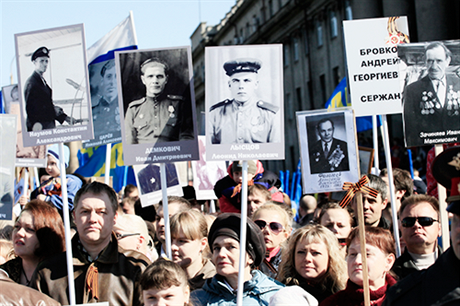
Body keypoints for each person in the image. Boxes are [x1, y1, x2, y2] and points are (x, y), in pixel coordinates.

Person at [32, 182, 150, 305]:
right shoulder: (47, 271)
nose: (92, 219)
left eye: (101, 212)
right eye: (85, 211)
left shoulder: (136, 267)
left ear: (114, 217)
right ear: (74, 217)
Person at [383, 146, 460, 306]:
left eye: (425, 221)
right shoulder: (409, 296)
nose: (459, 229)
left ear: (440, 227)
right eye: (458, 219)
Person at [191, 213, 283, 305]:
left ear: (250, 257)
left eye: (231, 247)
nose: (221, 254)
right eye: (217, 248)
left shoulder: (275, 297)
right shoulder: (197, 299)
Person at [209, 58, 280, 144]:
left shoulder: (270, 114)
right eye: (236, 81)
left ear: (256, 84)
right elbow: (208, 150)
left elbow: (275, 152)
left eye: (247, 81)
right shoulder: (215, 114)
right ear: (229, 85)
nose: (241, 86)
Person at [320, 227, 397, 306]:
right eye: (353, 254)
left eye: (367, 254)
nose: (357, 261)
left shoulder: (404, 299)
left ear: (388, 261)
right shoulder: (332, 303)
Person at [125, 57, 194, 144]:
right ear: (143, 80)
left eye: (159, 76)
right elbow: (129, 141)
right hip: (143, 156)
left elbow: (186, 136)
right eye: (150, 76)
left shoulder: (179, 105)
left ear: (166, 79)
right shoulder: (134, 109)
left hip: (172, 154)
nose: (155, 81)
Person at [402, 42, 460, 146]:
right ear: (425, 62)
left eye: (439, 61)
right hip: (429, 147)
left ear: (447, 61)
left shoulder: (458, 84)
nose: (434, 66)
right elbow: (411, 126)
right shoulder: (412, 90)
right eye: (430, 61)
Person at [0, 200, 65, 286]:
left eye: (29, 229)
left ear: (46, 236)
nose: (19, 232)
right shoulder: (4, 274)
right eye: (17, 226)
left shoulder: (62, 277)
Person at [277, 224, 347, 303]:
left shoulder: (342, 296)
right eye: (301, 252)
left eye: (315, 253)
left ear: (330, 257)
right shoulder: (282, 292)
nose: (307, 259)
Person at [24, 46, 80, 131]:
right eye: (41, 61)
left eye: (46, 61)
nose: (45, 64)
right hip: (41, 129)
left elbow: (45, 105)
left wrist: (66, 118)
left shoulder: (41, 81)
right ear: (34, 62)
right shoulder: (32, 83)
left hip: (48, 126)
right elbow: (32, 112)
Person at [392, 194, 442, 279]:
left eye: (425, 220)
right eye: (408, 221)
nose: (416, 225)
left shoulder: (454, 267)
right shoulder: (391, 274)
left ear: (439, 228)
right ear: (400, 228)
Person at [29, 144, 84, 215]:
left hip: (63, 222)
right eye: (46, 164)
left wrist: (48, 199)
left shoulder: (71, 181)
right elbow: (35, 197)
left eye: (52, 163)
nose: (48, 167)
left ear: (62, 163)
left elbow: (71, 202)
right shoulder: (47, 182)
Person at [170, 210, 215, 291]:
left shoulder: (214, 282)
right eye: (170, 240)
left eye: (182, 241)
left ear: (202, 243)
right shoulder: (166, 278)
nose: (173, 247)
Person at [252, 203, 291, 279]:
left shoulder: (290, 261)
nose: (266, 231)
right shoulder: (241, 256)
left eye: (274, 227)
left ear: (285, 235)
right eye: (260, 225)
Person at [91, 59, 121, 140]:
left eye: (116, 77)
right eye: (109, 77)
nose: (112, 82)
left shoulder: (129, 111)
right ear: (102, 81)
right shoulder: (91, 113)